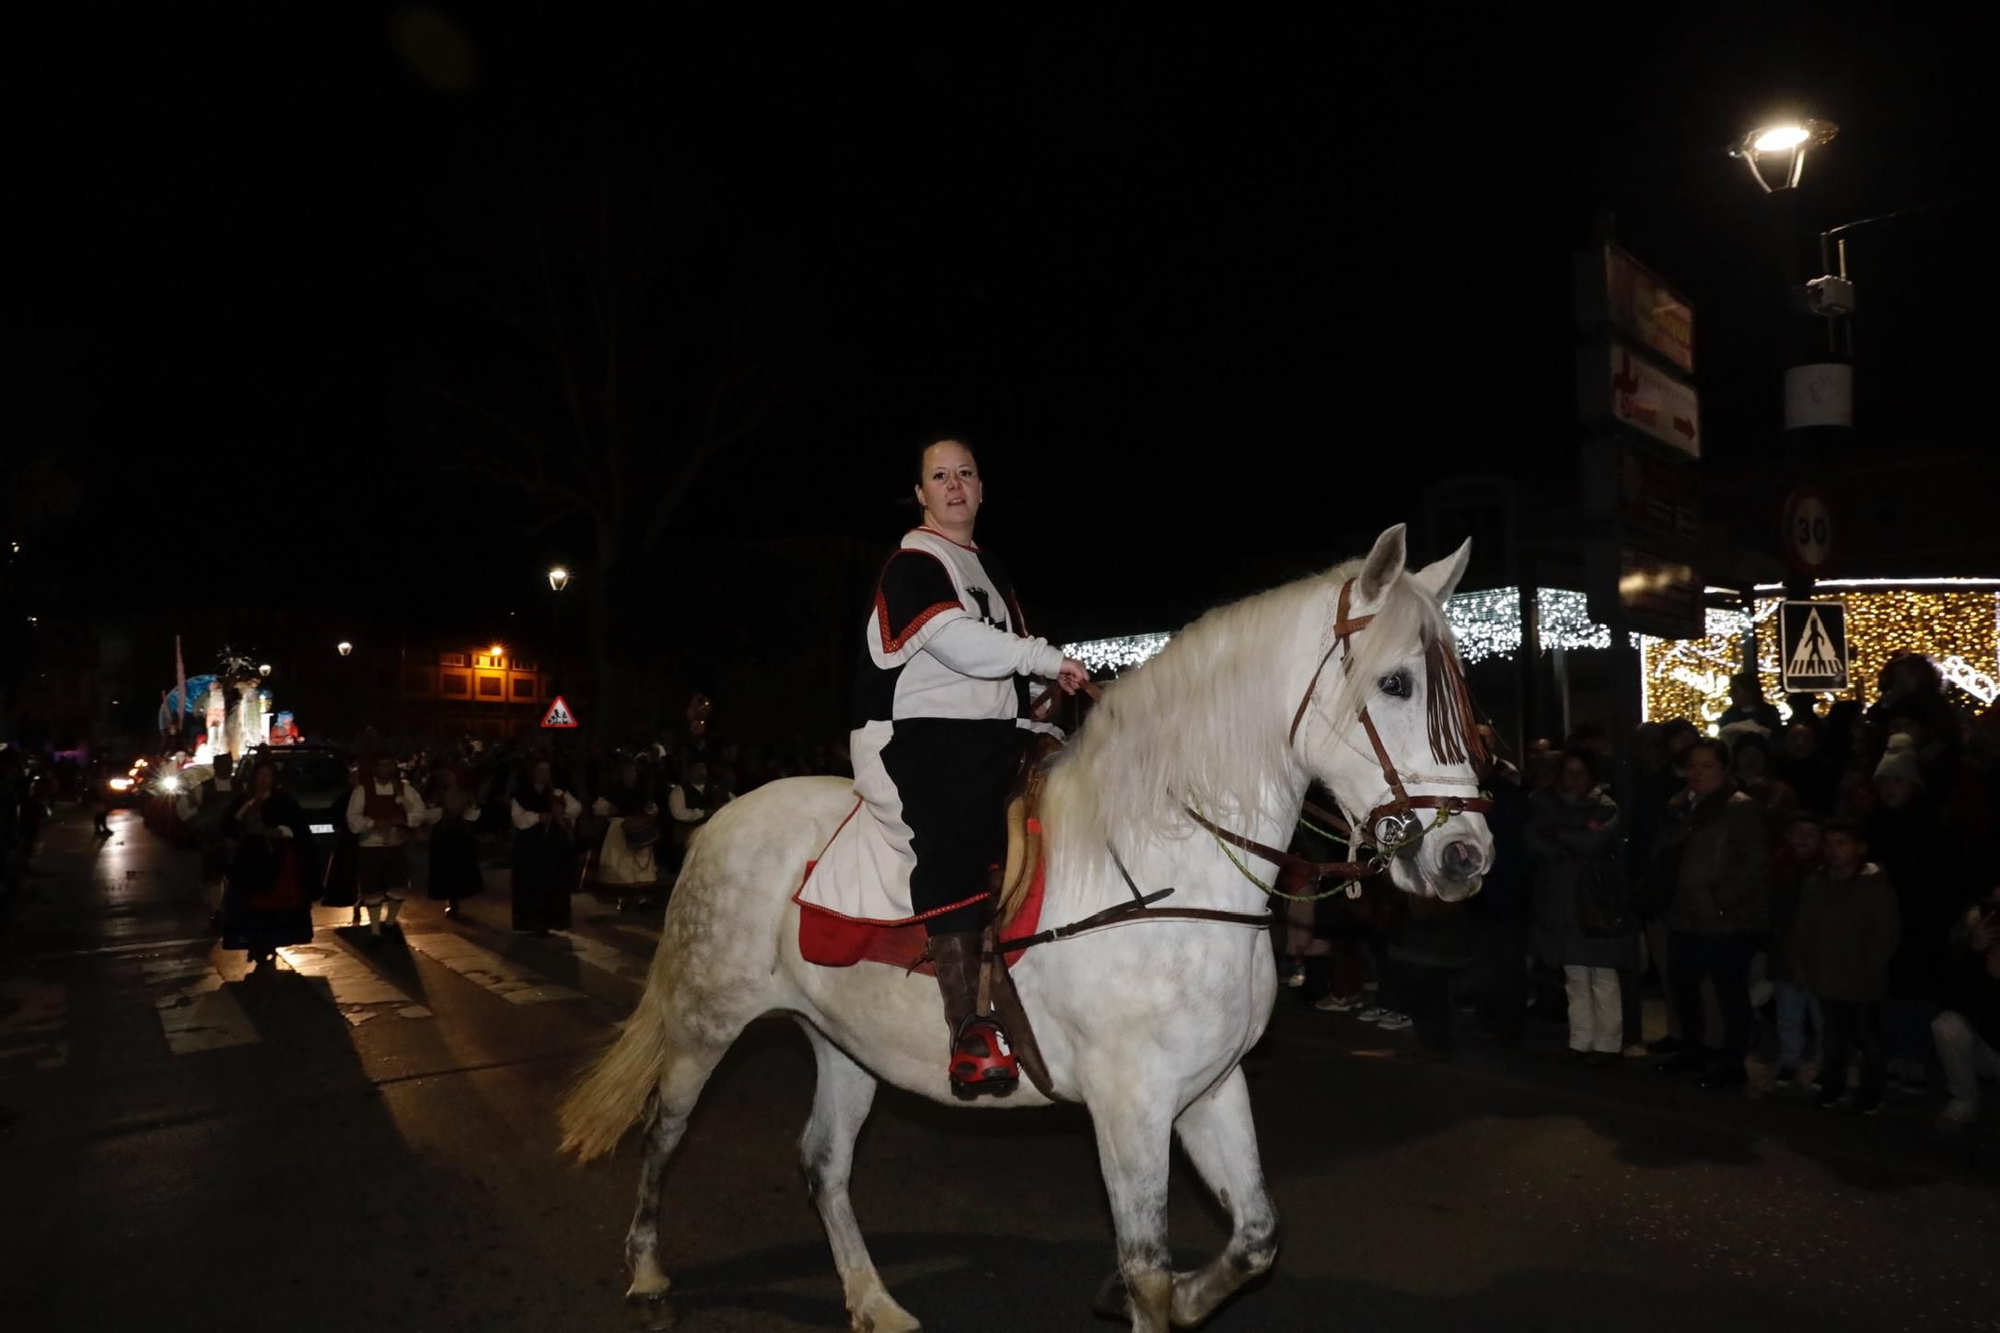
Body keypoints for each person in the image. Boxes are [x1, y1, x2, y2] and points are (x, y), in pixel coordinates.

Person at [849, 436, 1088, 1095]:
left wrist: (1043, 717)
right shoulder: (912, 560)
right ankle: (968, 1027)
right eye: (939, 476)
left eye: (966, 474)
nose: (954, 484)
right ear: (922, 495)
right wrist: (1044, 657)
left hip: (990, 734)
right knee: (956, 828)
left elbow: (1006, 676)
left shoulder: (992, 569)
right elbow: (957, 642)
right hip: (916, 735)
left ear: (982, 490)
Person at [1650, 738, 1769, 1090]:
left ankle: (1733, 1063)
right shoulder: (1681, 806)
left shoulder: (1739, 808)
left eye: (1707, 766)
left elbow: (1753, 863)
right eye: (1692, 765)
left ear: (1724, 770)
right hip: (1685, 913)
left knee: (1729, 992)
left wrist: (1720, 900)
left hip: (1725, 919)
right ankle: (1694, 1049)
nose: (1697, 773)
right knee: (1684, 985)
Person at [1526, 749, 1634, 1066]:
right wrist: (1571, 838)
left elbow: (1595, 843)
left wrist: (1559, 837)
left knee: (1602, 975)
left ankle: (1608, 1044)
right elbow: (1534, 841)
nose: (1572, 781)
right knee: (1574, 975)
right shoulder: (1546, 803)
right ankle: (1581, 1039)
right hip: (1560, 902)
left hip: (1593, 901)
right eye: (1567, 773)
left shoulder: (1604, 805)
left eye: (1579, 774)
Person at [1792, 822, 1900, 1114]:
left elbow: (1886, 934)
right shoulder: (1817, 883)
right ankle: (1833, 1084)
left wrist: (1870, 968)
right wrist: (1803, 966)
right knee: (1833, 1037)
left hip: (1862, 979)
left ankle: (1872, 1091)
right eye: (1829, 844)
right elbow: (1804, 929)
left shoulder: (1874, 887)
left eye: (1843, 843)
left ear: (1859, 848)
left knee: (1868, 1039)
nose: (1834, 850)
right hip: (1827, 975)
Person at [221, 756, 317, 971]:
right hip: (249, 860)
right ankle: (254, 943)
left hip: (278, 859)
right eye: (260, 775)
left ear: (274, 778)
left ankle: (270, 943)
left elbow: (299, 828)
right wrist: (243, 824)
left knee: (275, 903)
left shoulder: (284, 800)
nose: (263, 779)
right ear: (253, 777)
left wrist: (281, 831)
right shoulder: (243, 801)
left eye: (268, 775)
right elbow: (229, 826)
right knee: (250, 903)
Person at [1932, 883, 2000, 1132]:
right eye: (1993, 908)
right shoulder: (1973, 943)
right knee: (1947, 1025)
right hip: (1985, 1046)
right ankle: (1965, 1099)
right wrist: (1975, 953)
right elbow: (1950, 998)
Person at [345, 754, 436, 940]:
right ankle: (375, 931)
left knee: (399, 886)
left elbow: (420, 812)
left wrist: (403, 820)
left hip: (396, 844)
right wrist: (373, 823)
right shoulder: (363, 791)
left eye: (390, 765)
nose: (386, 769)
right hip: (370, 845)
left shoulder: (404, 789)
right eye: (382, 765)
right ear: (375, 768)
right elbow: (353, 819)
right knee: (372, 889)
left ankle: (390, 923)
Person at [1768, 812, 1827, 1088]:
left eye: (1811, 833)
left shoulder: (1828, 872)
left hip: (1820, 957)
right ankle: (1790, 1061)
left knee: (1823, 1017)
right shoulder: (1778, 867)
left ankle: (1825, 1063)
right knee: (1788, 1014)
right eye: (1798, 832)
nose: (1803, 839)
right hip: (1785, 952)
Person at [510, 757, 581, 935]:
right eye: (540, 770)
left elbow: (576, 809)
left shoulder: (557, 792)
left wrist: (560, 806)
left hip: (553, 847)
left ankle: (550, 922)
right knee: (532, 885)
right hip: (530, 847)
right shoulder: (522, 794)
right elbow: (518, 819)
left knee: (553, 884)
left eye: (547, 771)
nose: (544, 774)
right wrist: (537, 817)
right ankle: (533, 923)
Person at [594, 757, 661, 910]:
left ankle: (643, 898)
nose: (631, 775)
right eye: (627, 771)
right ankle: (622, 898)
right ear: (621, 773)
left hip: (640, 828)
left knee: (642, 865)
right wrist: (609, 808)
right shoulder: (612, 789)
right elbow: (598, 807)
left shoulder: (642, 789)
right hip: (619, 829)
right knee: (621, 864)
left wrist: (650, 808)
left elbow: (652, 808)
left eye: (633, 771)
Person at [425, 765, 484, 919]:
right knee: (446, 869)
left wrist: (471, 805)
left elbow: (472, 814)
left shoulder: (462, 793)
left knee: (459, 868)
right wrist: (442, 811)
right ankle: (451, 900)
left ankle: (458, 897)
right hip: (444, 835)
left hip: (460, 833)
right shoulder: (434, 794)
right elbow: (428, 814)